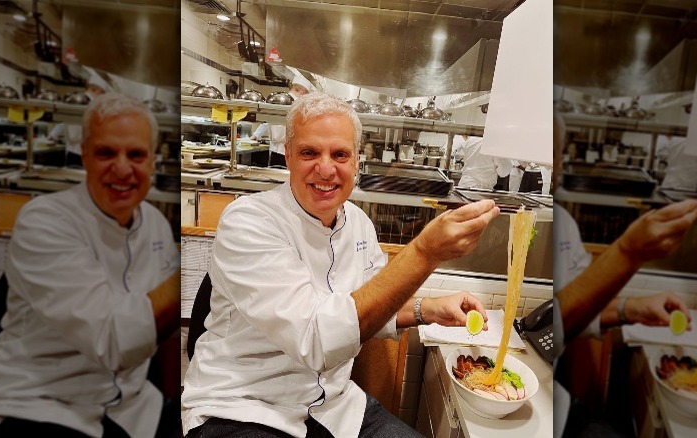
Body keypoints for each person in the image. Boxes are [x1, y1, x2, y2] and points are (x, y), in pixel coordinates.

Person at [182, 93, 500, 438]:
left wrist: (428, 309)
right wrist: (424, 252)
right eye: (309, 153)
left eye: (339, 154)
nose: (326, 168)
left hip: (334, 406)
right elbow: (317, 338)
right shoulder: (248, 221)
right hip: (242, 408)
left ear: (356, 161)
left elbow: (370, 304)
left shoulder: (359, 224)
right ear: (287, 155)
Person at [0, 93, 182, 438]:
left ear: (152, 162)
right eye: (106, 153)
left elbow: (164, 336)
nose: (122, 168)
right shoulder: (44, 221)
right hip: (42, 405)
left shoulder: (156, 225)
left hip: (133, 409)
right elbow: (113, 340)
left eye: (136, 155)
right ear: (85, 155)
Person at [551, 111, 697, 438]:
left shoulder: (564, 221)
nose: (557, 166)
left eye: (557, 154)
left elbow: (575, 307)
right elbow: (546, 321)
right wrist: (628, 252)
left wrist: (630, 308)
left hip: (556, 403)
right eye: (550, 155)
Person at [48, 67, 112, 167]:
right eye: (102, 94)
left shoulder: (73, 100)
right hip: (84, 155)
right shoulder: (93, 106)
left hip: (70, 153)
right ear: (98, 91)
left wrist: (53, 134)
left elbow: (63, 119)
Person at [250, 74, 314, 167]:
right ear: (303, 92)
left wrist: (255, 135)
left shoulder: (278, 99)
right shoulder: (299, 105)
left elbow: (265, 119)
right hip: (289, 152)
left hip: (274, 151)